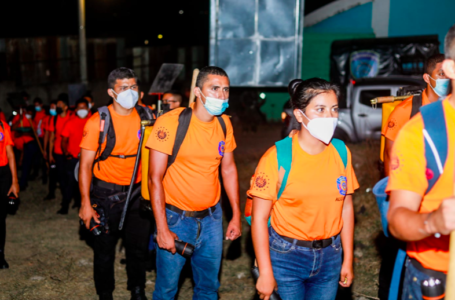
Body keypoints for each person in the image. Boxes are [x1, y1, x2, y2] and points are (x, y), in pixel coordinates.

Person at [248, 78, 359, 300]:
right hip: (286, 256)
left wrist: (347, 259)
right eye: (320, 109)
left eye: (334, 109)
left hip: (331, 255)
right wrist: (266, 272)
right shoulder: (277, 157)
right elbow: (259, 218)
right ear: (299, 115)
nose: (330, 117)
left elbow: (346, 208)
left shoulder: (340, 152)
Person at [147, 66, 241, 300]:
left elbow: (228, 170)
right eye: (214, 88)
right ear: (198, 91)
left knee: (208, 288)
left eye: (225, 90)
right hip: (176, 219)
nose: (221, 95)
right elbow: (154, 178)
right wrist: (162, 229)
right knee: (167, 290)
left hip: (212, 219)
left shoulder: (224, 124)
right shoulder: (171, 123)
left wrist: (236, 215)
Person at [387, 24, 455, 299]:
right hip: (437, 279)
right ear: (450, 69)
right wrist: (435, 222)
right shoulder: (423, 132)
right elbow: (397, 219)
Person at [79, 67, 153, 300]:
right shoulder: (97, 122)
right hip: (104, 194)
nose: (130, 92)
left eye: (133, 87)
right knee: (104, 250)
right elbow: (85, 166)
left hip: (138, 194)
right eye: (124, 88)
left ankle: (138, 290)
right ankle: (105, 294)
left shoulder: (147, 116)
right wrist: (85, 203)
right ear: (112, 92)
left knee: (138, 248)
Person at [382, 53, 449, 176]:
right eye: (441, 74)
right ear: (427, 78)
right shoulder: (406, 110)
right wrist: (391, 191)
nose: (447, 79)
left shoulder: (451, 107)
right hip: (413, 182)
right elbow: (390, 154)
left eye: (449, 74)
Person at [60, 98, 90, 211]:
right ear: (76, 109)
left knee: (86, 184)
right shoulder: (70, 122)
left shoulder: (92, 121)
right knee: (70, 183)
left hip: (88, 159)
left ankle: (81, 205)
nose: (82, 110)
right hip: (73, 159)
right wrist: (66, 152)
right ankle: (65, 205)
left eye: (84, 107)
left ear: (88, 108)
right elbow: (63, 140)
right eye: (80, 108)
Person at [0, 118, 19, 269]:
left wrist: (14, 181)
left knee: (1, 216)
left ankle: (0, 255)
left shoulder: (2, 125)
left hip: (2, 174)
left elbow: (10, 153)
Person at [48, 95, 72, 214]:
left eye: (60, 105)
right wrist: (49, 154)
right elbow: (52, 137)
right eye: (57, 105)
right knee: (62, 179)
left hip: (70, 153)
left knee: (72, 178)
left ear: (66, 107)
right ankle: (65, 201)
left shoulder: (71, 117)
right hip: (58, 153)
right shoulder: (54, 119)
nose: (57, 107)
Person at [12, 105, 39, 191]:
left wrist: (26, 133)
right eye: (28, 112)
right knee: (15, 165)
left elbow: (34, 133)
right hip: (16, 145)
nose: (29, 114)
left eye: (31, 113)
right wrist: (20, 120)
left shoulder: (32, 121)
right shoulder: (18, 117)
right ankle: (16, 181)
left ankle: (23, 182)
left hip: (28, 145)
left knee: (25, 164)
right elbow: (13, 128)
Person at [43, 100, 58, 200]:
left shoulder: (60, 119)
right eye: (51, 107)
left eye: (54, 107)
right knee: (52, 173)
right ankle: (51, 192)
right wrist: (46, 150)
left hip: (60, 150)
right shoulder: (49, 119)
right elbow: (47, 136)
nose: (52, 109)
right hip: (52, 149)